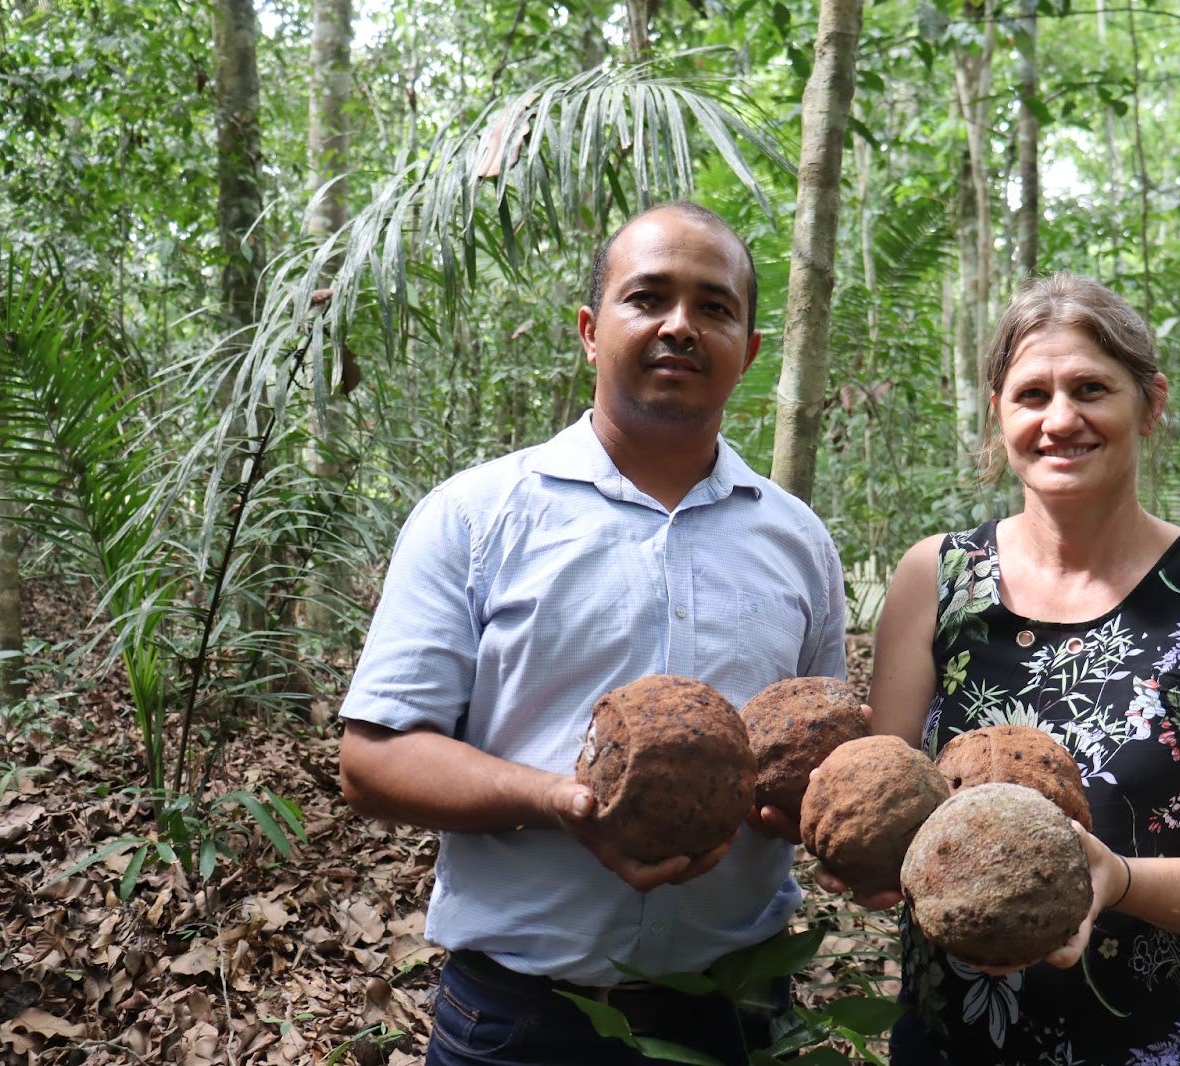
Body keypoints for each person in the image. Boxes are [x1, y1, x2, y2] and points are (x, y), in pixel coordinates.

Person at [338, 201, 848, 1066]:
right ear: (589, 329)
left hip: (741, 1012)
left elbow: (819, 760)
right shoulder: (475, 517)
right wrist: (561, 804)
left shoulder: (797, 541)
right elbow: (374, 758)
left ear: (750, 352)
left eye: (715, 307)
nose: (680, 325)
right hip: (522, 1021)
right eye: (647, 297)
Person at [859, 273, 1180, 1065]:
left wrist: (1114, 879)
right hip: (949, 1041)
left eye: (1091, 388)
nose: (1060, 419)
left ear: (1150, 401)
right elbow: (888, 817)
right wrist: (854, 855)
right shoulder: (936, 577)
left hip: (1155, 1046)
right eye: (1032, 394)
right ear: (998, 414)